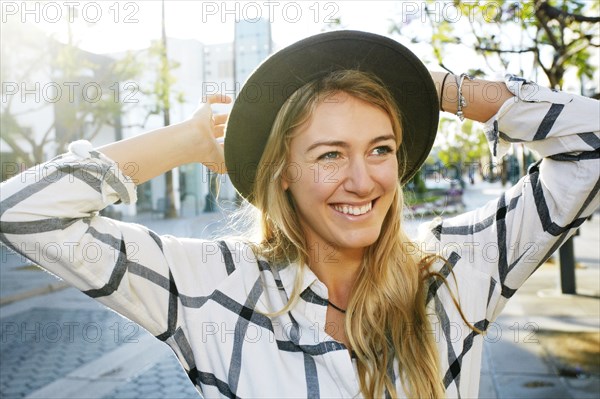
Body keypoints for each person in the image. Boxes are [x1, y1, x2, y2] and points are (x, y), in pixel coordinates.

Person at [1, 30, 598, 398]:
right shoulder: (210, 285)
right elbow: (23, 214)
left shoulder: (455, 271)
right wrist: (189, 137)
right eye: (330, 154)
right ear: (282, 171)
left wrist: (435, 85)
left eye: (380, 149)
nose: (362, 180)